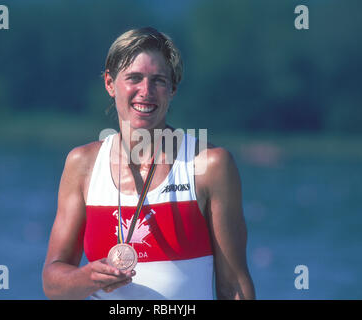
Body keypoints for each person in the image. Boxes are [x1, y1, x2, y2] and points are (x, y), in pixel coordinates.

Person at [42, 27, 255, 300]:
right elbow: (53, 285)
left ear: (173, 89)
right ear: (110, 83)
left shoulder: (209, 165)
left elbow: (234, 286)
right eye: (134, 78)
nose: (146, 91)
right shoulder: (82, 164)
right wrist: (87, 277)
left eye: (158, 80)